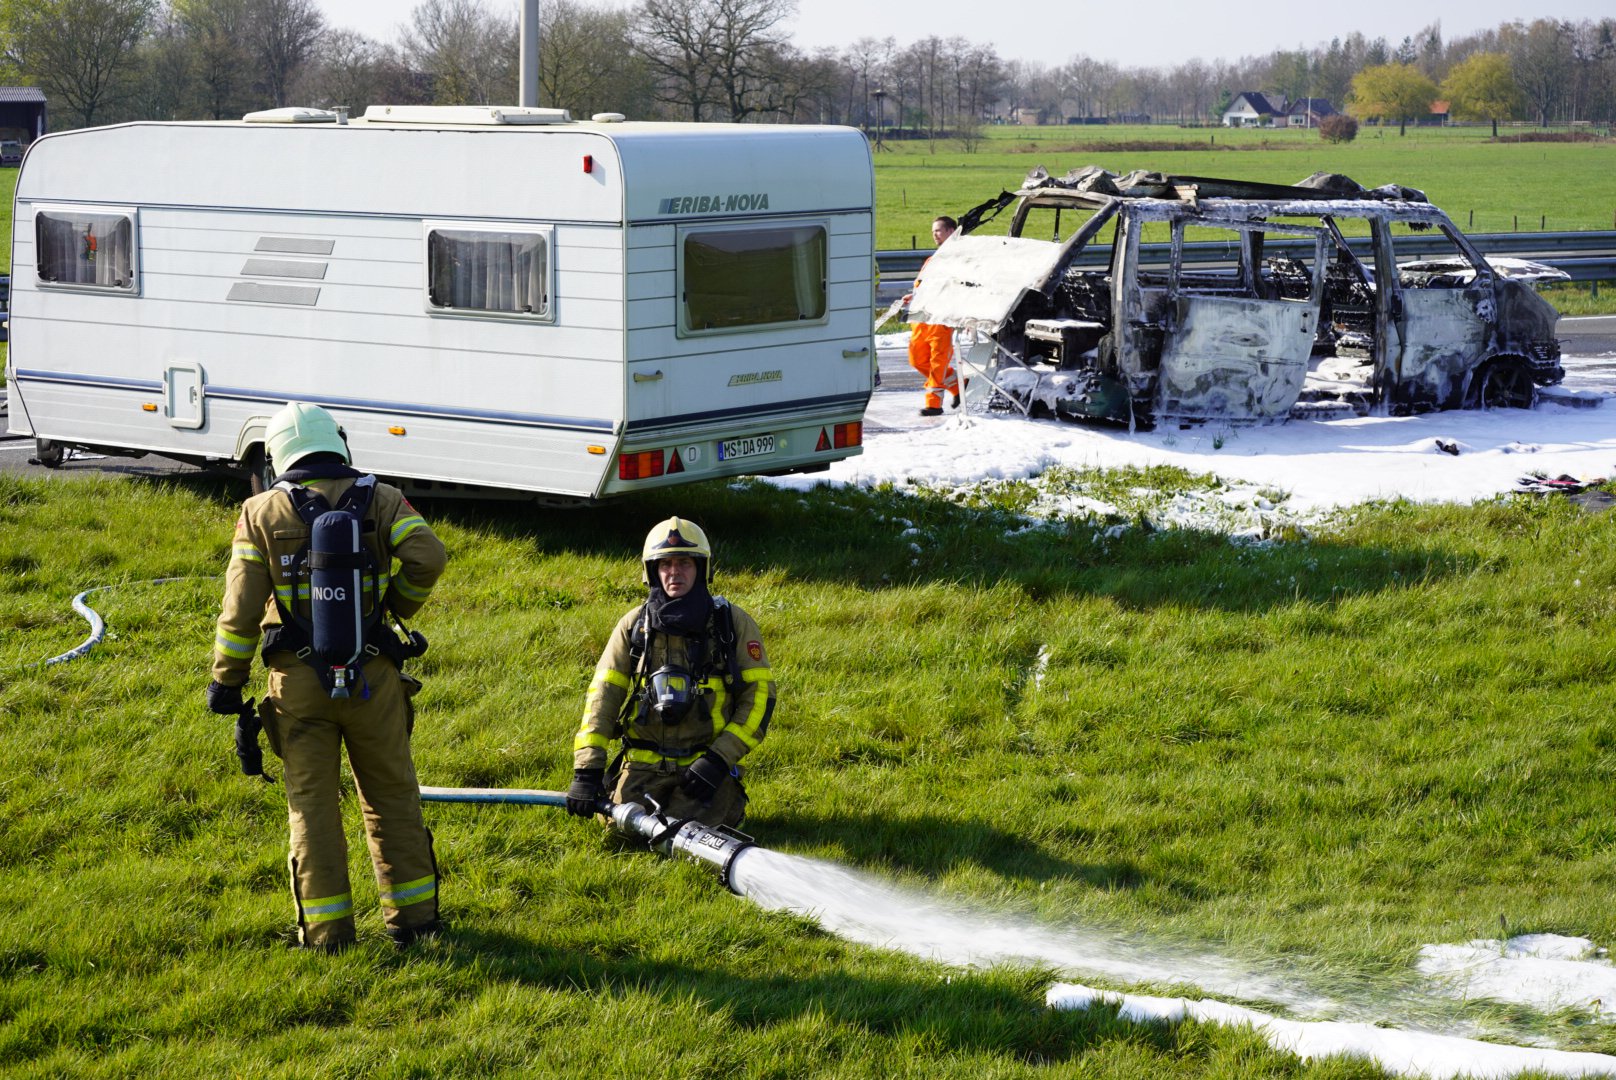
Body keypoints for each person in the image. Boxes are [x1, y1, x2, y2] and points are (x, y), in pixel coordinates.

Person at [206, 402, 447, 953]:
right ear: (337, 443)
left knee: (311, 809)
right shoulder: (381, 499)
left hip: (298, 686)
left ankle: (327, 935)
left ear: (277, 455)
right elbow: (429, 557)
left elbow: (241, 606)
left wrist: (227, 679)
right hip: (374, 680)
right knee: (391, 799)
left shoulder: (260, 512)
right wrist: (395, 608)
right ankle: (416, 924)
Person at [566, 517, 775, 829]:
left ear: (701, 568)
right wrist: (587, 770)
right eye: (665, 564)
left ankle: (724, 801)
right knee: (621, 829)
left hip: (702, 767)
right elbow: (603, 697)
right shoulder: (634, 626)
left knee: (691, 834)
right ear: (652, 570)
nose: (674, 572)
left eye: (684, 563)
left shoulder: (730, 625)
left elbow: (760, 698)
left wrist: (717, 761)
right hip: (643, 763)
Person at [907, 215, 960, 417]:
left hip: (941, 317)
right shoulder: (933, 259)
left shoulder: (959, 259)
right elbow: (923, 285)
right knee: (917, 359)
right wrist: (912, 295)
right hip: (922, 317)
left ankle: (934, 404)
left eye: (938, 230)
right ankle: (959, 385)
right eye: (933, 231)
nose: (934, 235)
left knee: (938, 361)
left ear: (951, 231)